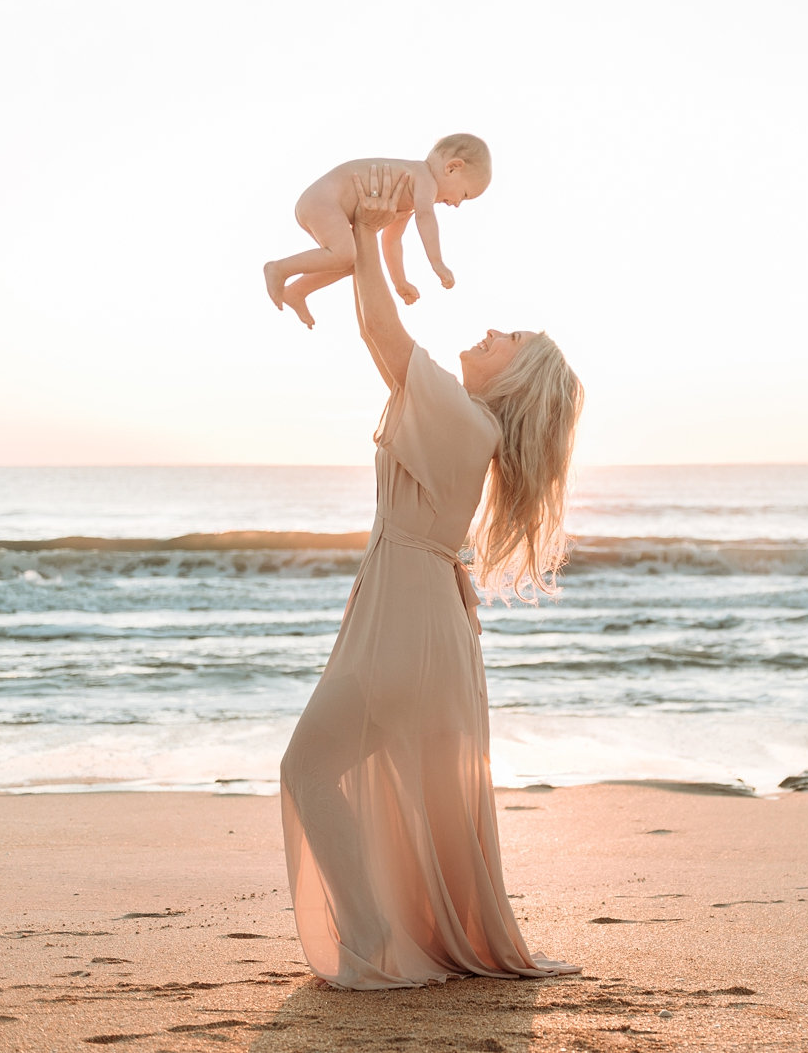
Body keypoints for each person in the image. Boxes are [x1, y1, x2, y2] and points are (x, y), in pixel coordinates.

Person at [279, 163, 585, 991]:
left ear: (517, 377)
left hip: (409, 620)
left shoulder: (461, 415)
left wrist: (375, 235)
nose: (492, 332)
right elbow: (379, 332)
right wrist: (372, 238)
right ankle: (380, 931)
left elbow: (381, 327)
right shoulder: (462, 415)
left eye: (509, 340)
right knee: (316, 767)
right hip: (410, 615)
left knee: (307, 766)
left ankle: (375, 937)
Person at [263, 134, 492, 328]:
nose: (457, 204)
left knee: (354, 261)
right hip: (323, 200)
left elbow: (391, 242)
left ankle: (297, 291)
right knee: (344, 253)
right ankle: (279, 268)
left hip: (323, 204)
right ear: (452, 167)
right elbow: (426, 218)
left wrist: (400, 283)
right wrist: (437, 263)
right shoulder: (423, 178)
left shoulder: (406, 201)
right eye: (464, 195)